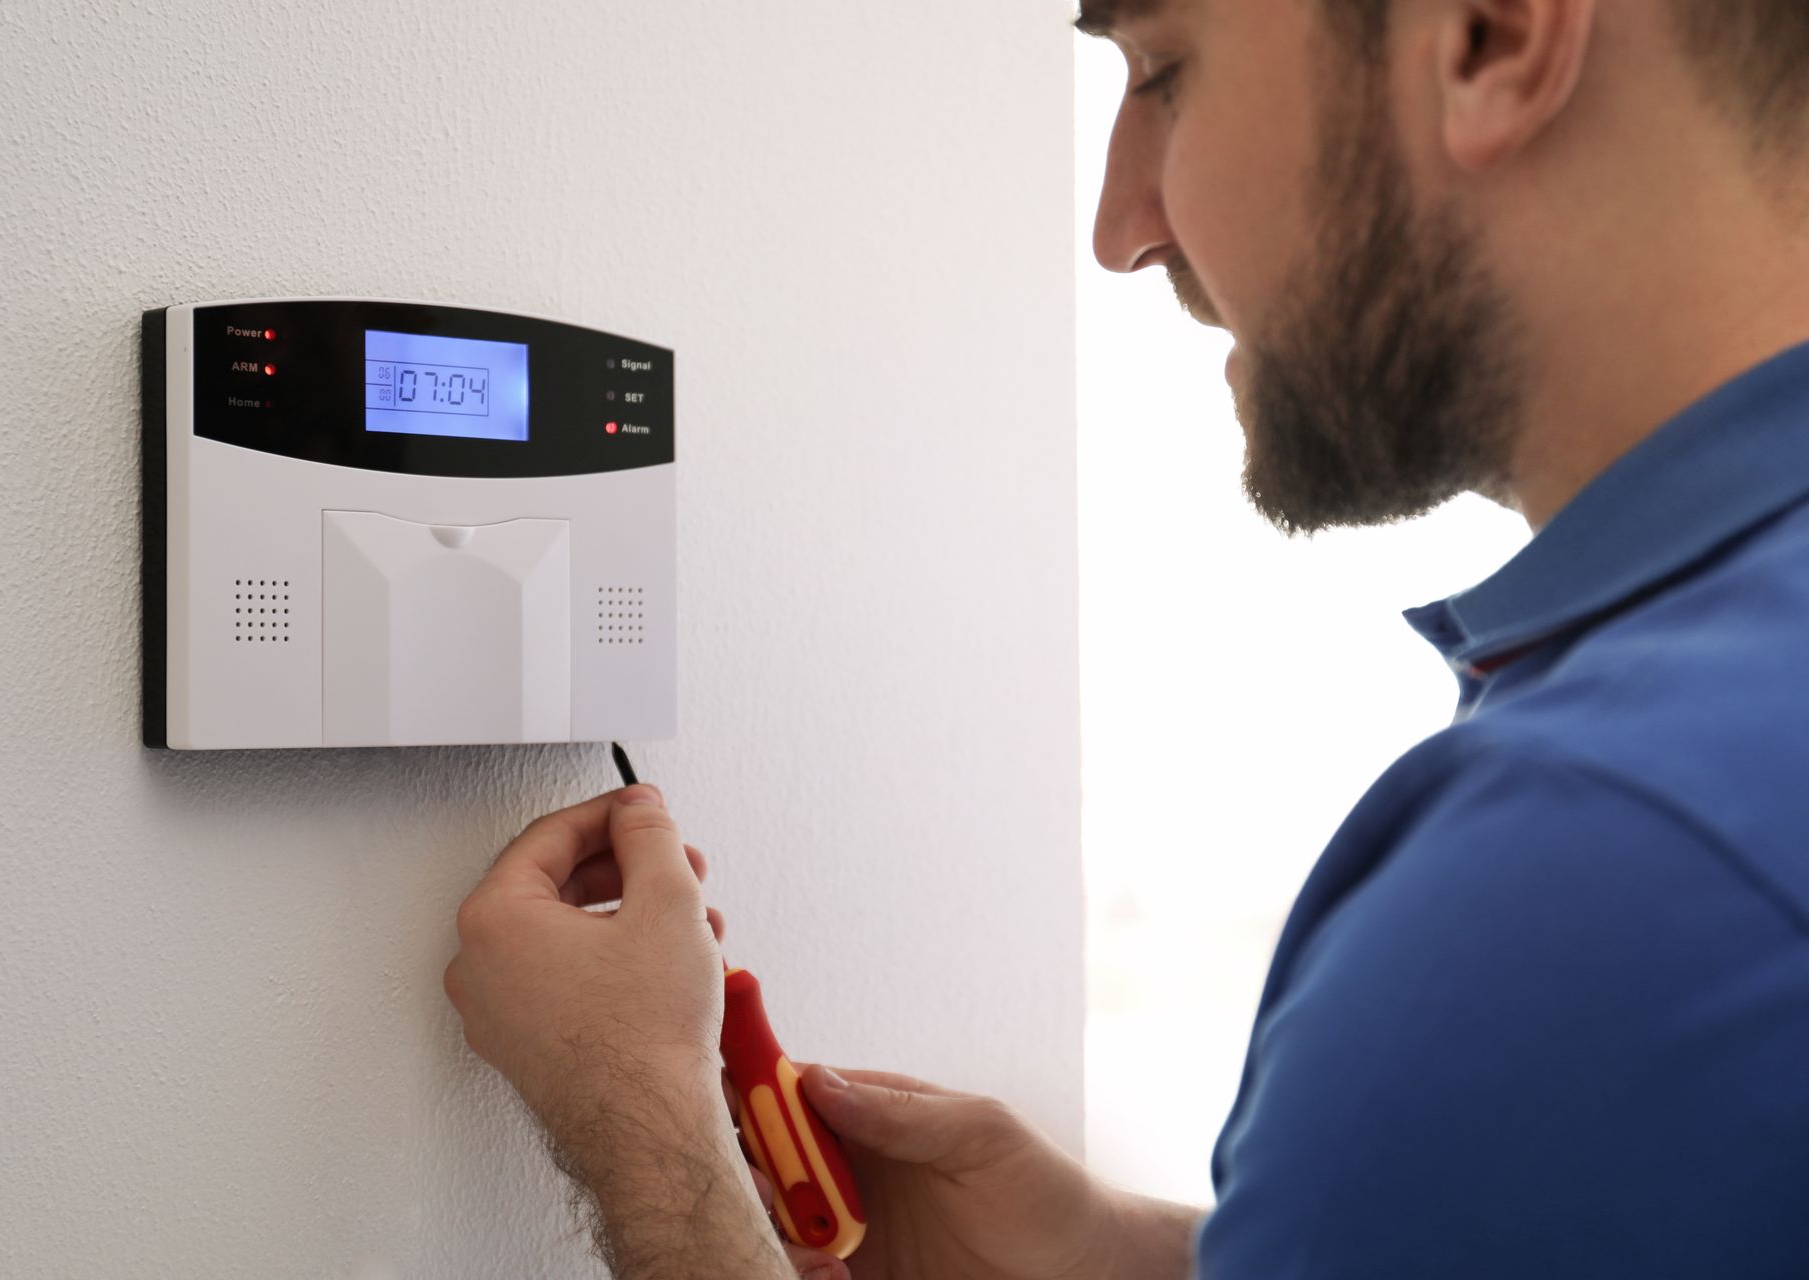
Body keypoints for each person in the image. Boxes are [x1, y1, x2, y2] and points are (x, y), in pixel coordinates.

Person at [442, 0, 1809, 1274]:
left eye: (1166, 70)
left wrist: (645, 1133)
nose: (1120, 223)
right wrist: (1125, 1252)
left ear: (1488, 34)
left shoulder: (1594, 859)